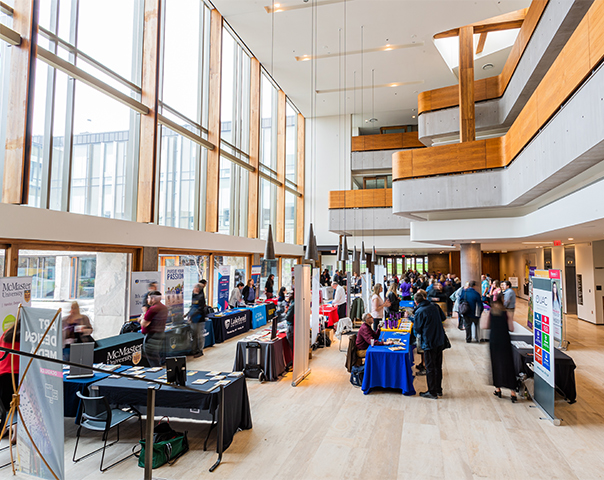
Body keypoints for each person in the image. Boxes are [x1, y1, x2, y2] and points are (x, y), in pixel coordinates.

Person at [413, 289, 446, 399]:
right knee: (438, 366)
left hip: (429, 342)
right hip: (439, 340)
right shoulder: (434, 306)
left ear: (416, 302)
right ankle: (438, 389)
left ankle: (432, 392)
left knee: (430, 367)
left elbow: (417, 329)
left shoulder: (419, 311)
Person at [488, 298, 518, 402]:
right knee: (508, 364)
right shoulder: (507, 314)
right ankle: (513, 392)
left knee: (496, 364)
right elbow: (512, 328)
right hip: (505, 340)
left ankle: (498, 389)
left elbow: (484, 325)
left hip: (494, 341)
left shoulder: (490, 313)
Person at [0, 320, 19, 436]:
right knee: (18, 405)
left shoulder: (6, 334)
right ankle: (16, 434)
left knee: (5, 408)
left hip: (2, 375)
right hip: (16, 375)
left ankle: (4, 429)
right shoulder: (25, 338)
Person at [141, 291, 168, 366]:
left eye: (148, 298)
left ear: (153, 299)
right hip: (160, 334)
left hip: (151, 336)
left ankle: (156, 373)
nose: (147, 300)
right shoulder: (164, 308)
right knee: (155, 356)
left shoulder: (153, 309)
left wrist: (141, 319)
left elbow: (144, 323)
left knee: (152, 358)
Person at [186, 281, 207, 358]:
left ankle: (200, 350)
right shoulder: (194, 295)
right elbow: (192, 306)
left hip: (199, 319)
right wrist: (188, 314)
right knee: (194, 335)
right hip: (193, 319)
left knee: (199, 336)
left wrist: (191, 316)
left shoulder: (200, 297)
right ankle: (194, 350)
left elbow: (198, 309)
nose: (193, 289)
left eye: (195, 288)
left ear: (198, 289)